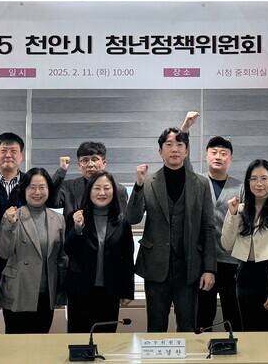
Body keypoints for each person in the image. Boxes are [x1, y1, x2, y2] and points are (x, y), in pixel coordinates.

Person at [0, 132, 63, 332]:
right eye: (3, 150)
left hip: (22, 270)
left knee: (29, 335)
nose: (8, 155)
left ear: (21, 155)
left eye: (14, 151)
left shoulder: (28, 182)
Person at [126, 127, 217, 332]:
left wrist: (209, 269)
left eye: (179, 144)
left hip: (189, 267)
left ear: (186, 151)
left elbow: (208, 228)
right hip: (155, 266)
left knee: (188, 326)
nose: (174, 149)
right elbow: (132, 218)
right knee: (156, 327)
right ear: (160, 151)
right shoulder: (148, 182)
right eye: (169, 144)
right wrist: (138, 185)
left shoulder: (201, 183)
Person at [179, 111, 244, 331]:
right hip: (202, 261)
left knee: (234, 315)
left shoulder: (241, 187)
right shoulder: (196, 181)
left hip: (231, 262)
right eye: (213, 152)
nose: (218, 156)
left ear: (230, 159)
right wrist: (185, 129)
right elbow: (183, 161)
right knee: (202, 315)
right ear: (206, 156)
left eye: (223, 153)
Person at [222, 159, 268, 332]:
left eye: (264, 178)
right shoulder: (240, 209)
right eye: (253, 179)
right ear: (248, 182)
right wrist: (232, 214)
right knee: (249, 332)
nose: (258, 183)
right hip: (245, 276)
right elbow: (227, 244)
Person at [0, 167, 67, 334]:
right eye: (32, 187)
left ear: (49, 190)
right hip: (19, 290)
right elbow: (4, 253)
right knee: (16, 345)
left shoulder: (58, 219)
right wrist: (10, 225)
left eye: (42, 187)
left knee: (41, 343)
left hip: (46, 294)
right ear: (24, 189)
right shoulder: (13, 215)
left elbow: (62, 258)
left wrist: (60, 293)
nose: (37, 192)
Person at [64, 170, 135, 333]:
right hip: (80, 291)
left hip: (110, 291)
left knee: (106, 338)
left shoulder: (122, 222)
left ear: (114, 191)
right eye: (96, 188)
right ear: (89, 191)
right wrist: (77, 228)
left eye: (106, 188)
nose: (102, 193)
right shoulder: (76, 216)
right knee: (79, 338)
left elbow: (127, 258)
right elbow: (69, 251)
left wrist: (127, 291)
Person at [49, 141, 129, 233]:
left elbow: (122, 223)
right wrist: (62, 170)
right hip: (75, 239)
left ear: (104, 163)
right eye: (85, 160)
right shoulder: (69, 187)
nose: (90, 165)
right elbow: (51, 202)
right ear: (79, 165)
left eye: (95, 159)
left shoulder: (118, 190)